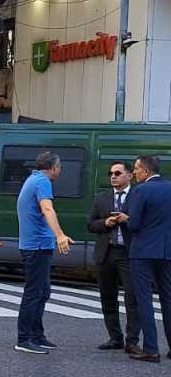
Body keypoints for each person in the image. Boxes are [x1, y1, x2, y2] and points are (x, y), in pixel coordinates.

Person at [14, 151, 74, 354]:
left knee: (43, 292)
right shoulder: (43, 182)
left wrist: (57, 236)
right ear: (54, 167)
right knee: (34, 293)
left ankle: (37, 335)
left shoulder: (33, 179)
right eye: (60, 167)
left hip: (38, 245)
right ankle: (24, 339)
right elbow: (47, 209)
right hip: (36, 247)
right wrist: (60, 235)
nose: (60, 170)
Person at [87, 161, 141, 354]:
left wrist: (128, 220)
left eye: (118, 173)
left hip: (129, 253)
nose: (113, 176)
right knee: (107, 297)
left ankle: (132, 340)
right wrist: (105, 222)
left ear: (129, 175)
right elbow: (90, 224)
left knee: (132, 297)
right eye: (111, 173)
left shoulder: (138, 196)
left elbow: (147, 223)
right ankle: (115, 337)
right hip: (106, 252)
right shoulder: (102, 198)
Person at [124, 154, 171, 363]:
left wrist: (126, 218)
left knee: (144, 300)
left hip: (143, 251)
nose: (134, 172)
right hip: (167, 251)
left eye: (136, 169)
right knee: (168, 300)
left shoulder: (140, 190)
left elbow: (134, 225)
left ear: (145, 171)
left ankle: (151, 349)